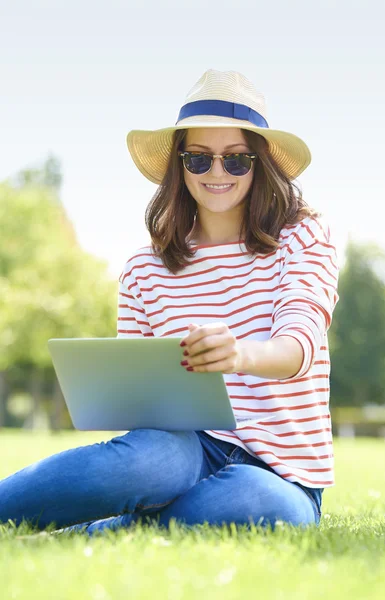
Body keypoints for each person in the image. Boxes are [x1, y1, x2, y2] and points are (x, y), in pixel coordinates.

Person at [0, 69, 339, 535]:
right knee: (153, 460)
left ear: (260, 164)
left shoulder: (302, 237)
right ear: (180, 166)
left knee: (257, 499)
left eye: (236, 160)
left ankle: (89, 537)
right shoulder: (144, 267)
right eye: (199, 159)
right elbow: (135, 404)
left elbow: (300, 343)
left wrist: (240, 355)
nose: (217, 173)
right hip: (185, 450)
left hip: (281, 474)